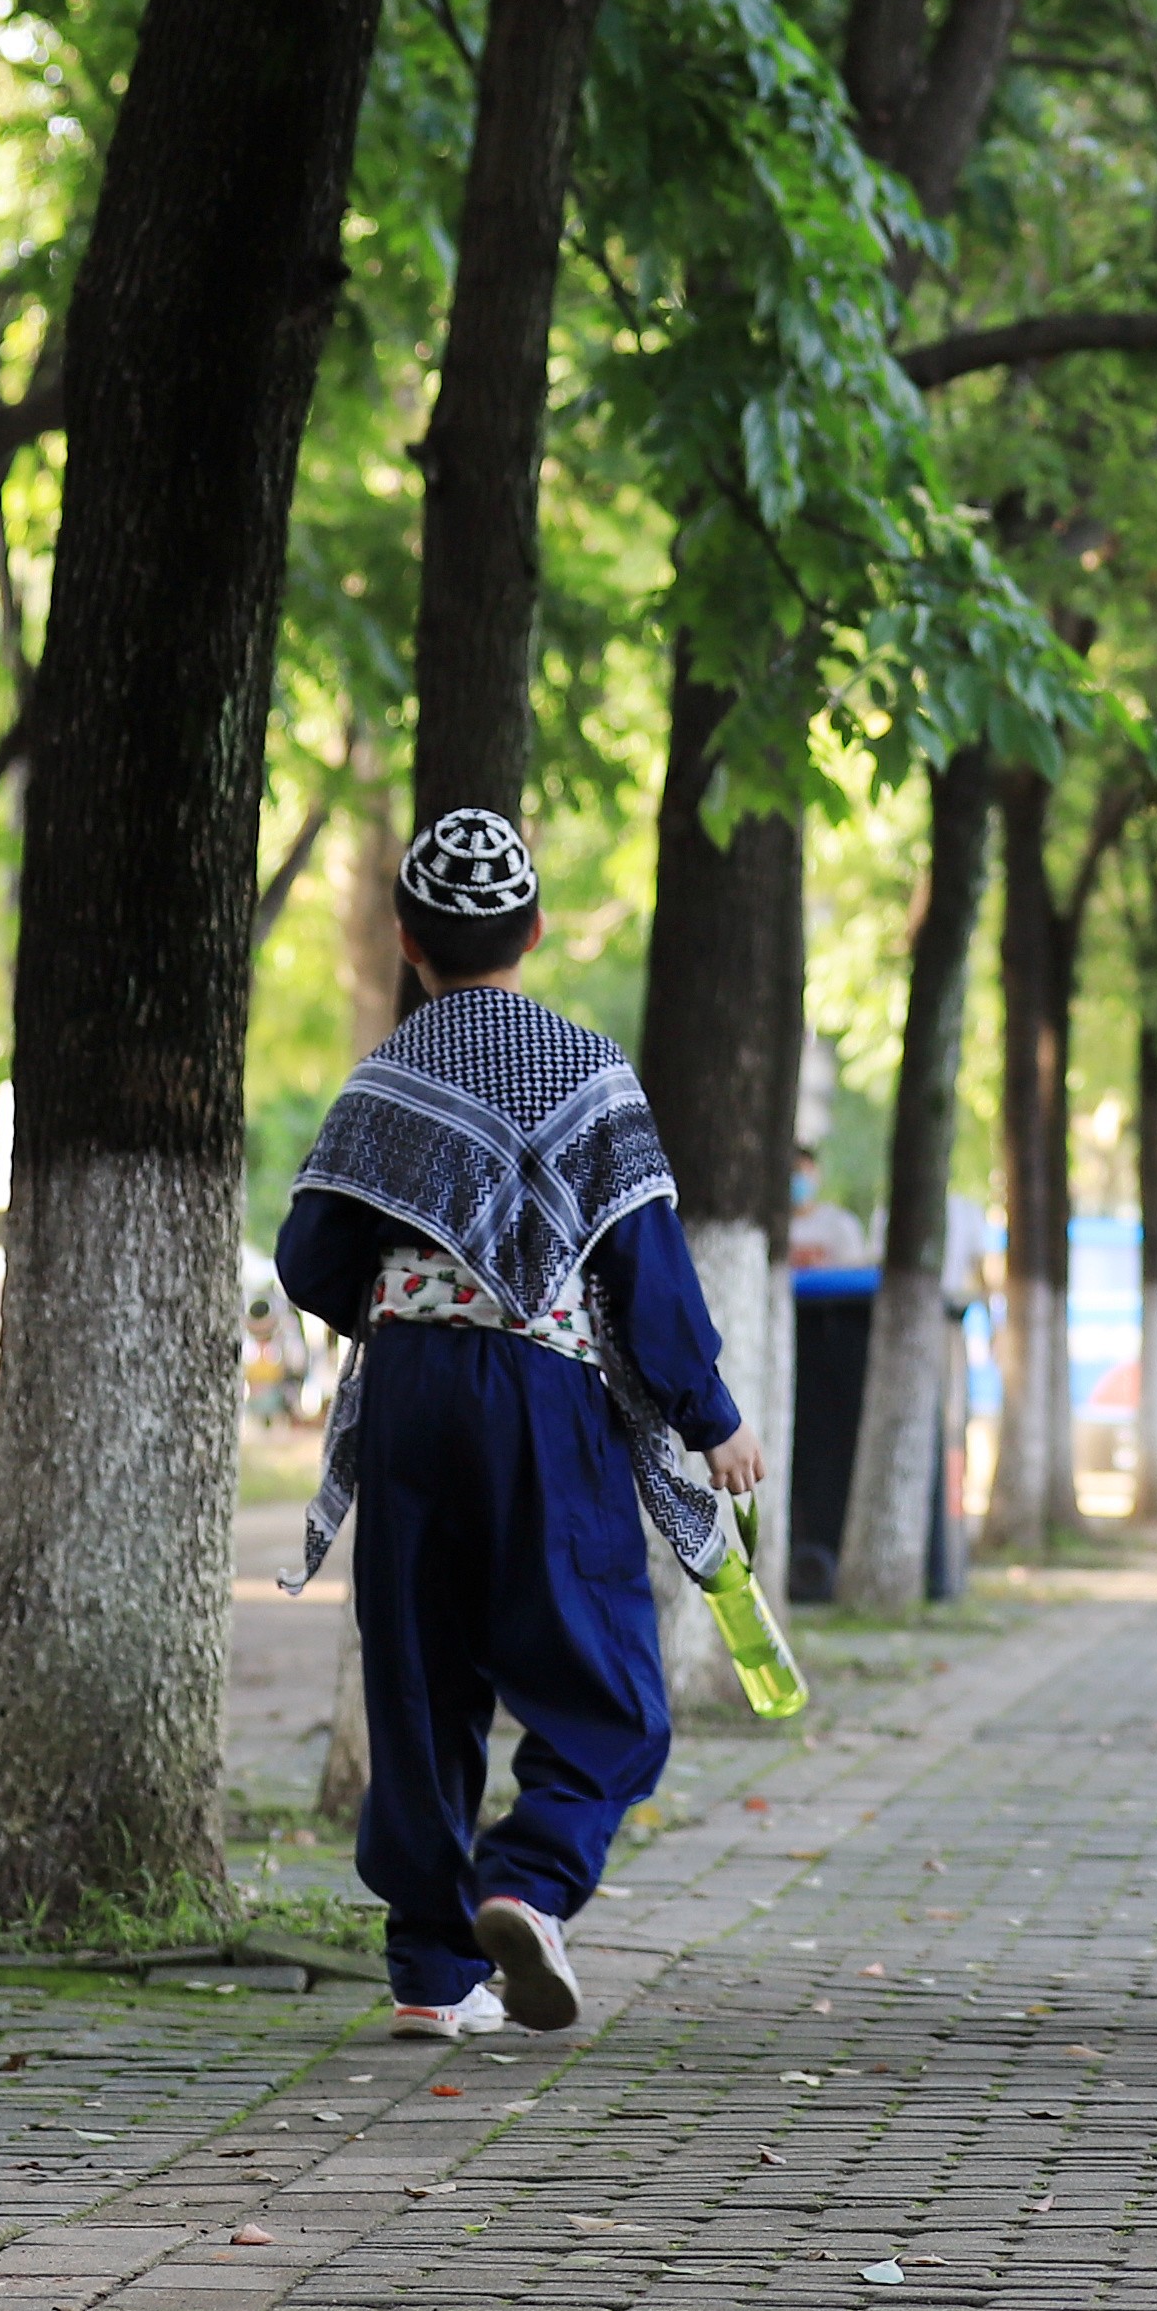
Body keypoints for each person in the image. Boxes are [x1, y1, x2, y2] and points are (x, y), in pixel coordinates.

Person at [277, 810, 771, 2044]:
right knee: (608, 1684)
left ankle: (430, 1975)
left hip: (407, 1397)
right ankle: (529, 1881)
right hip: (543, 1395)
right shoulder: (589, 1071)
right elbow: (646, 1270)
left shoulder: (382, 1078)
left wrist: (409, 1312)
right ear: (537, 929)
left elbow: (308, 1256)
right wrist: (711, 1414)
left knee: (420, 1671)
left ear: (406, 940)